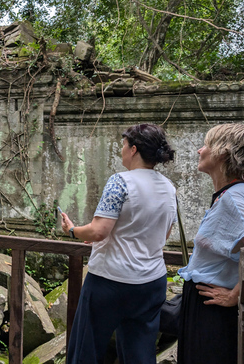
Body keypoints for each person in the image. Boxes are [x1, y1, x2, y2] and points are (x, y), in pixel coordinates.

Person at [61, 123, 177, 364]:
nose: (121, 150)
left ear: (133, 150)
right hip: (151, 283)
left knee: (87, 348)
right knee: (140, 353)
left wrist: (72, 230)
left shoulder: (120, 182)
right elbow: (164, 235)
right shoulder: (169, 188)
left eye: (123, 145)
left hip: (111, 282)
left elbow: (98, 231)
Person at [177, 123, 244, 364]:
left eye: (207, 145)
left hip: (213, 312)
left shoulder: (234, 197)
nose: (200, 150)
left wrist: (235, 295)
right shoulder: (243, 192)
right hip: (212, 308)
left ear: (222, 152)